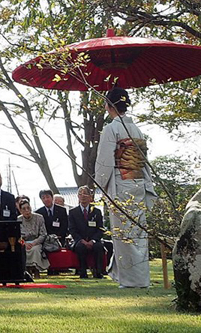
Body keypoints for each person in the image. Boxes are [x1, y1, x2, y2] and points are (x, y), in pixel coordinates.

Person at [95, 86, 156, 288]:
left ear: (109, 106)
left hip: (121, 183)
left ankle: (130, 280)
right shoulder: (137, 129)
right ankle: (140, 279)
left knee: (123, 233)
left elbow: (104, 161)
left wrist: (100, 184)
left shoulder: (111, 129)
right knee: (138, 232)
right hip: (137, 183)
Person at [69, 186, 106, 279]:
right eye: (80, 194)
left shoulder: (96, 212)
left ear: (90, 196)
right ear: (78, 196)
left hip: (94, 240)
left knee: (99, 247)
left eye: (85, 193)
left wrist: (93, 241)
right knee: (80, 247)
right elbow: (72, 229)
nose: (83, 196)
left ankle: (98, 272)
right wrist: (82, 240)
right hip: (80, 240)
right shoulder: (73, 212)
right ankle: (82, 272)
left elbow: (100, 229)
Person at [36, 189, 70, 273]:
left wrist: (59, 236)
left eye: (48, 197)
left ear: (52, 198)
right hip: (46, 238)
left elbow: (65, 226)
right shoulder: (39, 212)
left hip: (59, 237)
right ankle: (50, 268)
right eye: (43, 198)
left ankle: (60, 267)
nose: (46, 199)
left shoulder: (62, 210)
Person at [17, 196, 50, 276]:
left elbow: (43, 234)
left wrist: (34, 242)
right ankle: (27, 270)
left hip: (36, 242)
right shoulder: (18, 219)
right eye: (24, 209)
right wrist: (24, 243)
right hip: (24, 243)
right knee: (24, 250)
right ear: (20, 211)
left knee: (35, 249)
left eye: (28, 208)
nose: (27, 211)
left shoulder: (39, 217)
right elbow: (17, 236)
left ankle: (36, 270)